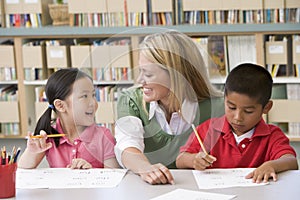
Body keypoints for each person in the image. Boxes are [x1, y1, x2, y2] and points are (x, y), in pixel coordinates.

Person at [114, 30, 224, 185]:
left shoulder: (219, 108)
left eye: (148, 74)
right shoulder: (130, 100)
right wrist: (145, 168)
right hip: (147, 190)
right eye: (140, 71)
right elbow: (127, 145)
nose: (140, 80)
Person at [176, 63, 298, 183]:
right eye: (231, 107)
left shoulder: (272, 135)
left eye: (248, 111)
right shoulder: (209, 130)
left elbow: (291, 161)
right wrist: (194, 160)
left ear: (266, 107)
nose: (238, 117)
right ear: (224, 100)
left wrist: (271, 165)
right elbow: (180, 160)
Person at [18, 68, 119, 169]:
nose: (93, 102)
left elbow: (114, 175)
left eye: (93, 95)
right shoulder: (49, 135)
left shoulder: (103, 136)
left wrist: (91, 172)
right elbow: (22, 170)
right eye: (84, 96)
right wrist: (31, 152)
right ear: (60, 105)